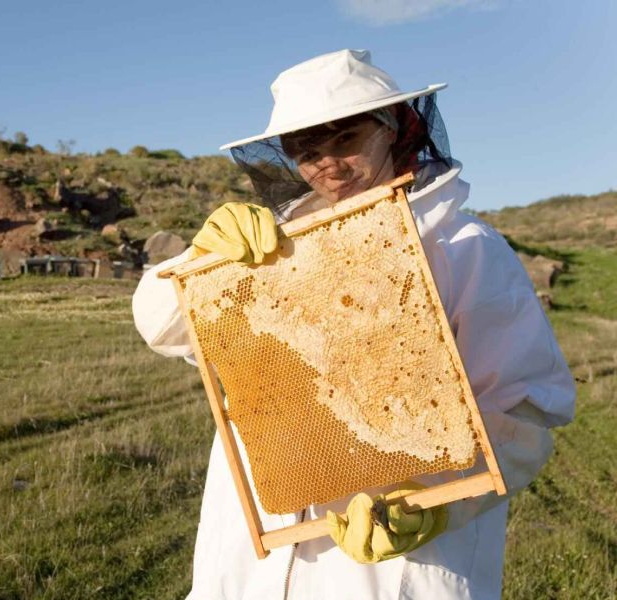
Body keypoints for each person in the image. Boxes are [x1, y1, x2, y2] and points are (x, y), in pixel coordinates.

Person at [132, 49, 575, 600]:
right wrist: (197, 263)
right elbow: (164, 330)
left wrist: (434, 505)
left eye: (346, 140)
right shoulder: (270, 249)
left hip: (395, 563)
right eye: (308, 151)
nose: (327, 165)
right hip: (256, 559)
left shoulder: (464, 247)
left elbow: (526, 408)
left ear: (395, 128)